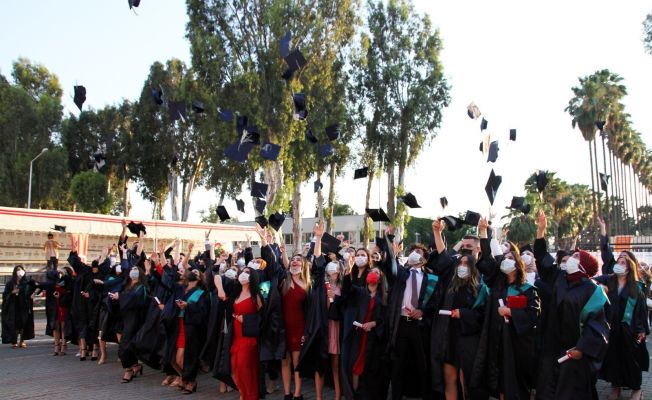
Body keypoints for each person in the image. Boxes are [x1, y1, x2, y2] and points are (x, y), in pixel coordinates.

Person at [533, 211, 610, 400]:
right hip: (551, 349)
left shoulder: (593, 291)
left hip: (573, 353)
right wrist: (540, 232)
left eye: (576, 256)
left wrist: (582, 348)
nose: (570, 258)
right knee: (547, 391)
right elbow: (542, 259)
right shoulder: (559, 277)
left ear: (584, 265)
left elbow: (598, 325)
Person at [471, 217, 541, 399]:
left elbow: (534, 314)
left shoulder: (528, 290)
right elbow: (487, 257)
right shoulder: (497, 283)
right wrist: (483, 232)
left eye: (511, 258)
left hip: (517, 344)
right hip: (497, 340)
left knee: (516, 384)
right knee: (500, 382)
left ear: (518, 265)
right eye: (505, 258)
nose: (506, 261)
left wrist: (511, 312)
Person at [381, 226, 439, 400]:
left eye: (419, 252)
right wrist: (389, 240)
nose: (415, 254)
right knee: (398, 365)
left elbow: (434, 303)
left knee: (422, 364)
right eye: (413, 251)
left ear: (424, 259)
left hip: (419, 326)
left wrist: (422, 311)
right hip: (401, 324)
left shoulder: (431, 279)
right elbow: (388, 264)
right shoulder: (401, 274)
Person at [430, 219, 485, 400]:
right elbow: (443, 255)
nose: (462, 265)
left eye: (465, 262)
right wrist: (438, 234)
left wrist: (464, 314)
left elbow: (483, 314)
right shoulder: (451, 279)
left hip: (468, 337)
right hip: (448, 335)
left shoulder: (482, 279)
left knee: (466, 380)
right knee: (449, 378)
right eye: (459, 262)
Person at [594, 250, 648, 400]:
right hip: (611, 328)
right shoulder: (608, 280)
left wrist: (642, 329)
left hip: (629, 330)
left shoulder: (636, 286)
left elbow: (641, 310)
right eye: (619, 261)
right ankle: (615, 387)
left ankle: (637, 389)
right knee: (613, 358)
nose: (620, 263)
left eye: (624, 262)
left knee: (632, 360)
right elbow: (590, 281)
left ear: (630, 266)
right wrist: (599, 287)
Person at [340, 264, 387, 399]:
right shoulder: (360, 292)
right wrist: (348, 273)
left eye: (376, 272)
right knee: (355, 366)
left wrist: (374, 323)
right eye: (371, 272)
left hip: (374, 338)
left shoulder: (384, 297)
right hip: (359, 335)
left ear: (380, 279)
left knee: (370, 369)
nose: (372, 274)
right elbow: (347, 289)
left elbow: (387, 318)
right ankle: (353, 396)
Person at [280, 248, 311, 400]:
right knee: (285, 361)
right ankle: (287, 393)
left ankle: (298, 393)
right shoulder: (283, 281)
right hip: (282, 328)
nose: (295, 262)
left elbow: (310, 311)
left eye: (298, 260)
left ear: (303, 265)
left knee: (297, 362)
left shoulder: (307, 285)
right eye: (293, 260)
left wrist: (306, 332)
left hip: (299, 328)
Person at [111, 260, 148, 384]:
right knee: (125, 345)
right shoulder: (127, 286)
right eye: (132, 269)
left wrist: (120, 297)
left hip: (134, 319)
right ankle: (135, 366)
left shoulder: (141, 288)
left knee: (126, 345)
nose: (133, 271)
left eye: (136, 270)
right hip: (124, 318)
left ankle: (128, 370)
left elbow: (136, 301)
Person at [2, 265, 37, 348]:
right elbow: (5, 295)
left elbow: (36, 287)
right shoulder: (10, 283)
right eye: (18, 270)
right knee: (14, 324)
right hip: (13, 306)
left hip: (24, 306)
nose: (19, 271)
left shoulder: (27, 282)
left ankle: (22, 341)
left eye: (21, 270)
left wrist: (33, 294)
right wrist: (12, 293)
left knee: (23, 323)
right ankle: (14, 341)